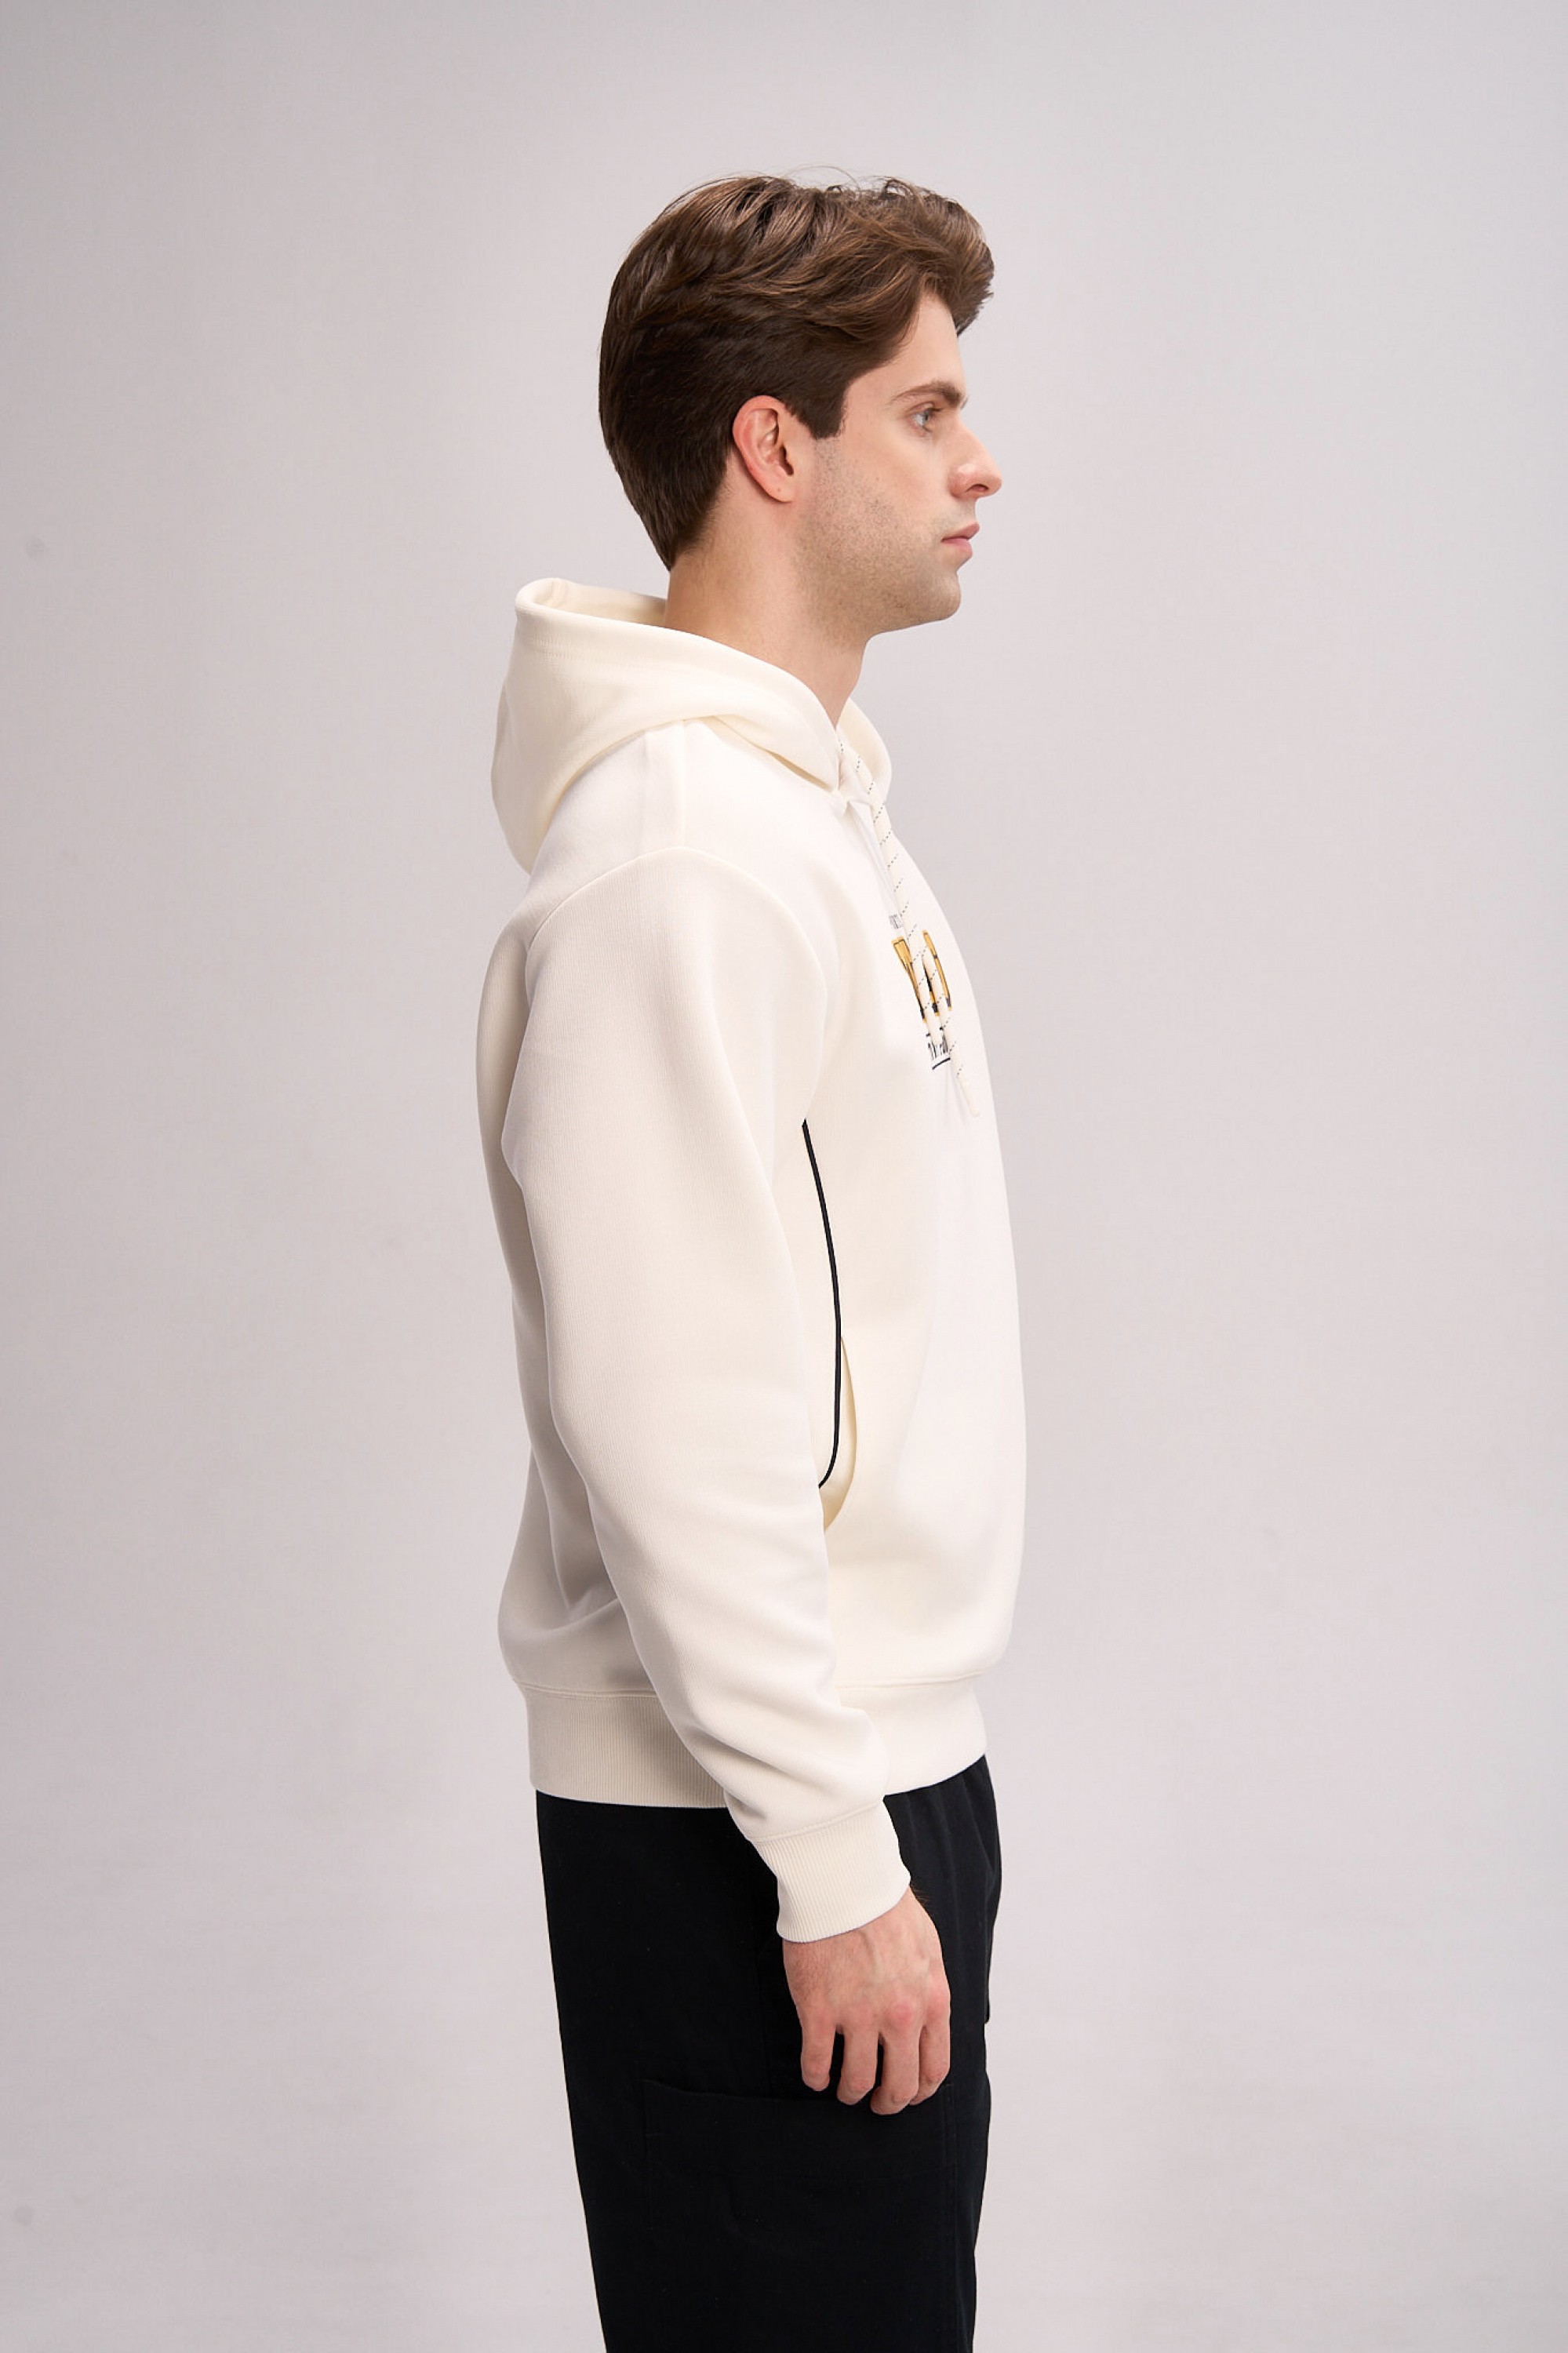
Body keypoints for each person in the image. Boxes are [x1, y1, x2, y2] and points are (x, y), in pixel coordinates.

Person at [475, 173, 1027, 2353]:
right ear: (775, 446)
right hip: (748, 1820)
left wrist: (875, 1824)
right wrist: (827, 1853)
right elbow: (671, 1420)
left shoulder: (811, 821)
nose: (982, 464)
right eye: (927, 411)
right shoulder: (682, 865)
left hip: (863, 1770)